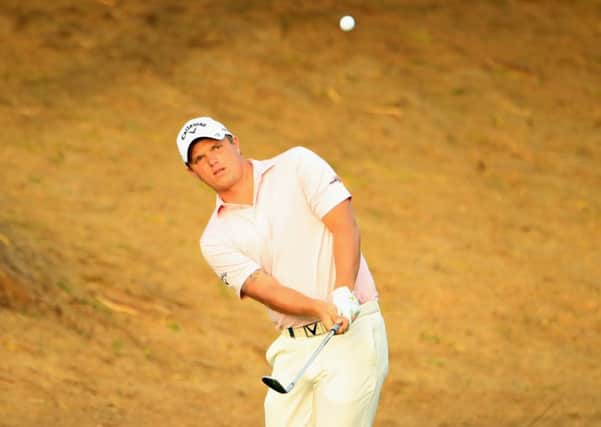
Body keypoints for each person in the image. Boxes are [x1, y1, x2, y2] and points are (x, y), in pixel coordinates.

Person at [176, 116, 389, 426]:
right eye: (199, 158)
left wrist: (343, 290)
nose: (212, 160)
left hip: (352, 333)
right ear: (191, 171)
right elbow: (266, 289)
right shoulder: (215, 239)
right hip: (293, 346)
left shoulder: (297, 165)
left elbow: (345, 227)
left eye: (216, 147)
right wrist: (317, 307)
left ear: (234, 142)